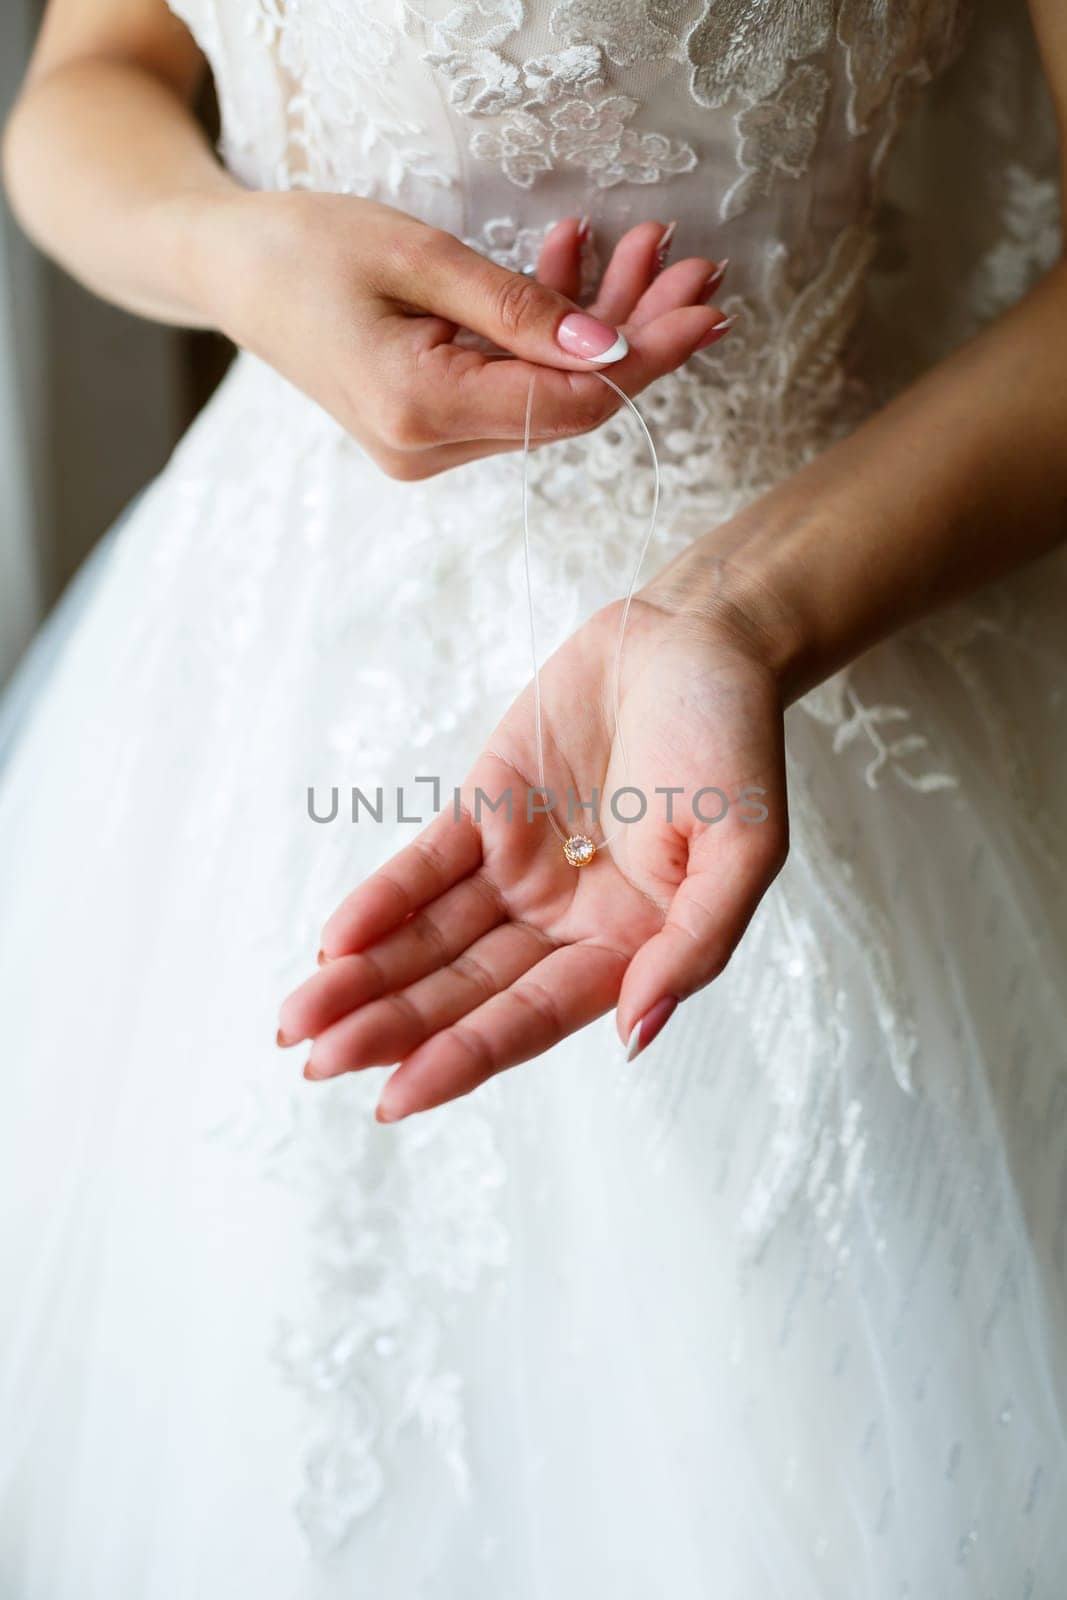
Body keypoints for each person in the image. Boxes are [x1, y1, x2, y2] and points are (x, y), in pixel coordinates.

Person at [1, 0, 1065, 1593]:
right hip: (245, 652)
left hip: (783, 684)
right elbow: (89, 82)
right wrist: (234, 253)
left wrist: (738, 615)